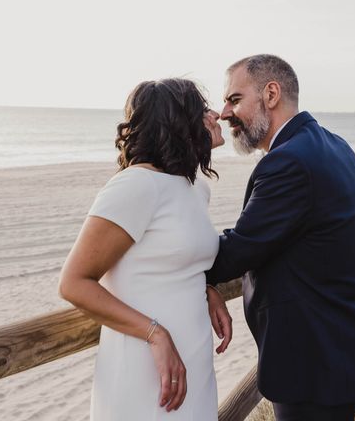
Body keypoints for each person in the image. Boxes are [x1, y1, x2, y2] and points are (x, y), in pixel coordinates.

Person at [205, 54, 355, 421]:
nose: (224, 113)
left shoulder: (287, 162)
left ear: (271, 94)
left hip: (317, 365)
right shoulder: (333, 143)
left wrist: (186, 267)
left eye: (234, 99)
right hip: (347, 349)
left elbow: (238, 251)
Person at [59, 78, 230, 420]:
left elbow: (171, 259)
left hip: (194, 362)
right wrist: (156, 334)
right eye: (201, 110)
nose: (215, 115)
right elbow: (74, 283)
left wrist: (205, 288)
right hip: (147, 364)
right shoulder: (135, 185)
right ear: (177, 122)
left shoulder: (194, 189)